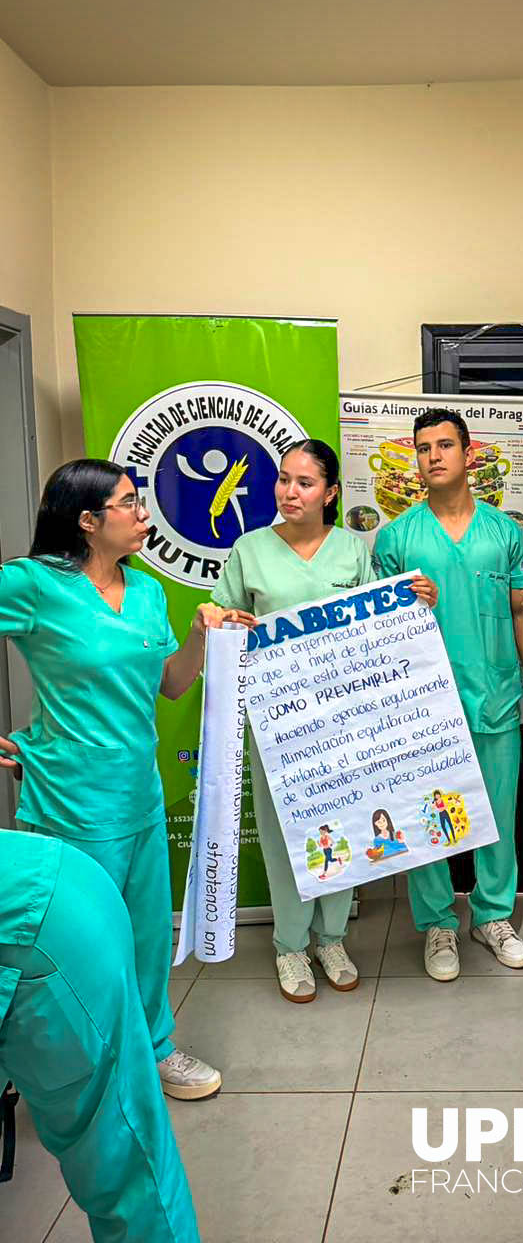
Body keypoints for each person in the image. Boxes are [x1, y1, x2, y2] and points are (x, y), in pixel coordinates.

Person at [0, 459, 240, 1100]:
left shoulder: (147, 592)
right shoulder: (32, 584)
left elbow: (172, 682)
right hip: (68, 798)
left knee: (143, 936)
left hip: (139, 794)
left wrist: (197, 634)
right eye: (130, 505)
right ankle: (72, 1065)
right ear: (87, 520)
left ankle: (154, 1051)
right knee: (78, 944)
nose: (143, 516)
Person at [213, 439, 437, 1002]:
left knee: (348, 825)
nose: (291, 491)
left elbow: (380, 630)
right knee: (286, 833)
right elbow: (221, 621)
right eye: (284, 479)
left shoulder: (352, 553)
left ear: (330, 493)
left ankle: (331, 937)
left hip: (344, 722)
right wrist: (224, 623)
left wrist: (418, 601)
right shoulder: (250, 549)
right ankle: (290, 946)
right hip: (279, 723)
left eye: (305, 483)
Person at [373, 406, 523, 980]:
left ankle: (493, 916)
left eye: (444, 445)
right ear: (416, 461)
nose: (434, 456)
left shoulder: (504, 532)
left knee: (496, 813)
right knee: (430, 816)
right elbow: (375, 630)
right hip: (425, 705)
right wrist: (400, 599)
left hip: (496, 693)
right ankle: (439, 923)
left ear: (468, 454)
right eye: (423, 448)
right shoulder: (396, 538)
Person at [0, 828, 200, 1241]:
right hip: (51, 873)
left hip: (40, 925)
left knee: (126, 1167)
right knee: (132, 1158)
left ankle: (155, 1043)